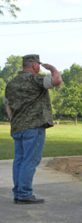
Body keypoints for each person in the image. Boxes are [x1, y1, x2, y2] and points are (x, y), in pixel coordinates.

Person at [5, 54, 62, 204]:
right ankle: (24, 194)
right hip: (34, 126)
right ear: (34, 65)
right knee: (30, 161)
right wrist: (52, 69)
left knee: (19, 160)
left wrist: (14, 120)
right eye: (38, 64)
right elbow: (56, 81)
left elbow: (7, 105)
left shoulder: (11, 83)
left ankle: (18, 192)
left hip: (17, 127)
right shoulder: (35, 79)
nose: (39, 67)